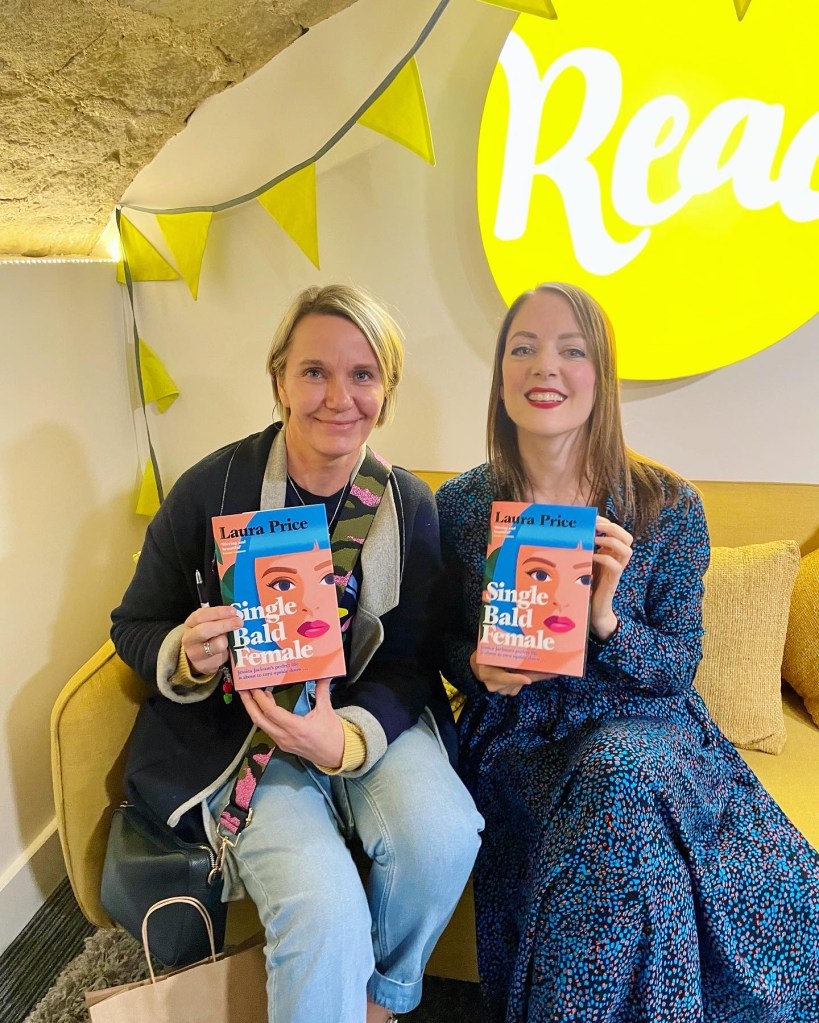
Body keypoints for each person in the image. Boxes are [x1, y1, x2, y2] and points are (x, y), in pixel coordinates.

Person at [436, 282, 819, 1022]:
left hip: (646, 729)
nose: (545, 366)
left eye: (571, 350)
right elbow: (443, 641)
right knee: (623, 814)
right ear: (501, 374)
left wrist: (608, 619)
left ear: (601, 374)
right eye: (523, 348)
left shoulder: (665, 504)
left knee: (619, 774)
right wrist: (476, 667)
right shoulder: (461, 505)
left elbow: (676, 669)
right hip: (521, 734)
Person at [111, 283, 483, 1023]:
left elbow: (411, 662)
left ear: (386, 389)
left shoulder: (409, 506)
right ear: (279, 378)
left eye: (362, 374)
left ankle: (379, 1000)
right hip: (243, 733)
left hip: (362, 719)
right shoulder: (211, 489)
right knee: (322, 910)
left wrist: (344, 740)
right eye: (315, 371)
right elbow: (135, 623)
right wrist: (187, 652)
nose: (338, 397)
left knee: (444, 836)